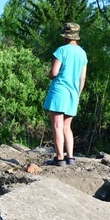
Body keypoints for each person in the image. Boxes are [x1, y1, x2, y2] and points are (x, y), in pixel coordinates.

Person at [43, 22, 88, 167]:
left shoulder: (61, 50)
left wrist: (49, 75)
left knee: (57, 126)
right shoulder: (82, 53)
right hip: (73, 93)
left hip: (59, 91)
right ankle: (71, 158)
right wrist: (78, 94)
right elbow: (82, 78)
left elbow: (54, 72)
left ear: (66, 36)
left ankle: (59, 158)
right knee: (67, 127)